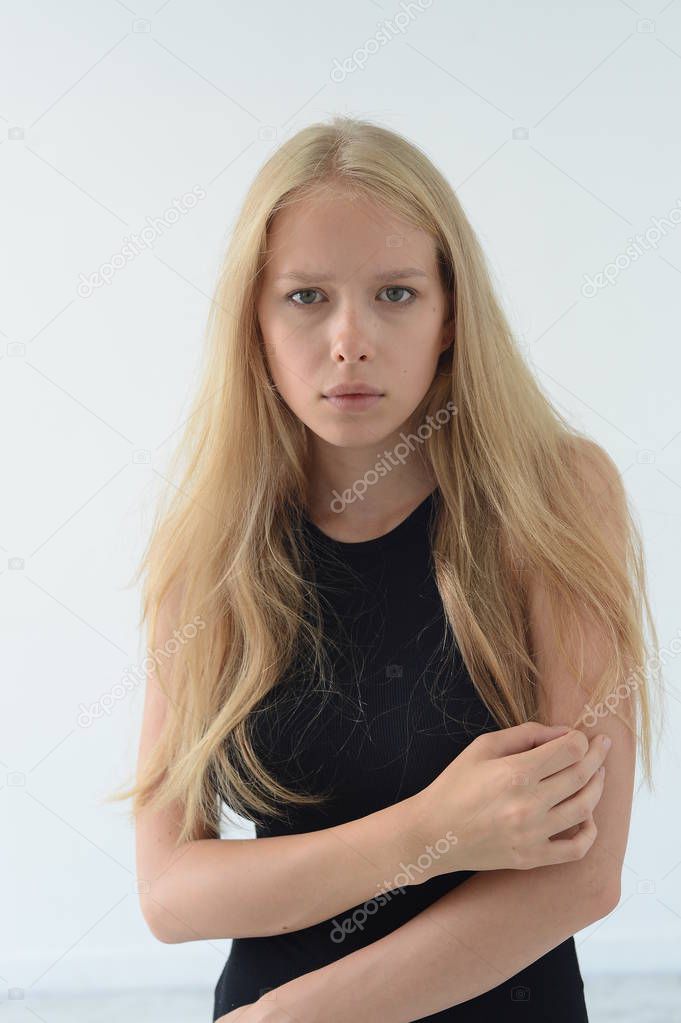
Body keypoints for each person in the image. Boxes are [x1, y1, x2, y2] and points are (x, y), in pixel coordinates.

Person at [109, 116, 662, 1022]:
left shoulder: (555, 492)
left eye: (396, 294)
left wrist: (291, 1018)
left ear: (451, 316)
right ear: (253, 319)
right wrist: (437, 829)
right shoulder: (209, 540)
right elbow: (170, 892)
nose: (349, 340)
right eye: (305, 297)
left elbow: (581, 873)